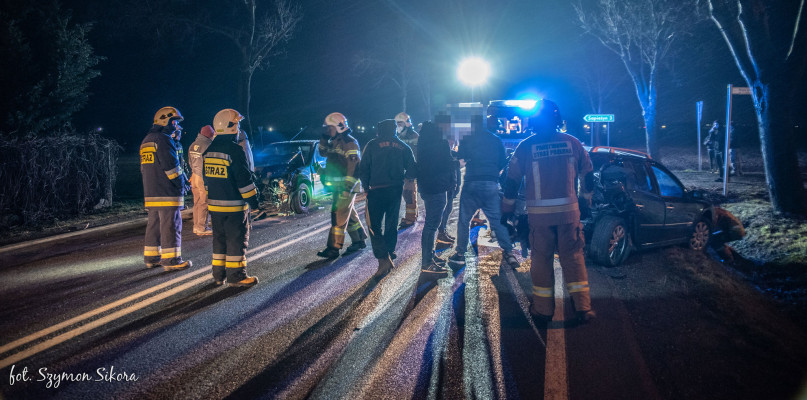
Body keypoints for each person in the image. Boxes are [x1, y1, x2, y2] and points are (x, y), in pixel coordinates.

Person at [502, 99, 596, 324]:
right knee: (573, 258)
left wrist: (507, 212)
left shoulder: (525, 146)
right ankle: (583, 308)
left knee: (541, 261)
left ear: (533, 120)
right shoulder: (573, 143)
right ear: (557, 119)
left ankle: (543, 311)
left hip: (540, 219)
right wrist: (585, 202)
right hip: (569, 216)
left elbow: (512, 182)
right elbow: (589, 175)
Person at [447, 115, 520, 270]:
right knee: (496, 221)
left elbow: (461, 156)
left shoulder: (468, 138)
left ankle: (460, 254)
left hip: (471, 183)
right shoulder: (496, 140)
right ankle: (508, 252)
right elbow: (502, 161)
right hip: (490, 184)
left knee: (463, 220)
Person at [203, 108, 260, 287]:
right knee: (236, 240)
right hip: (234, 207)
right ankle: (237, 276)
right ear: (231, 127)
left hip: (215, 206)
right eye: (237, 125)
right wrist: (255, 203)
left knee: (219, 240)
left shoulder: (209, 150)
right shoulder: (235, 150)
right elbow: (244, 181)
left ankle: (219, 275)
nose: (239, 129)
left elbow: (207, 180)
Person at [358, 119, 420, 276]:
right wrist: (403, 178)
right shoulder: (403, 147)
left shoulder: (372, 145)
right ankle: (390, 251)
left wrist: (366, 186)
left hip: (375, 190)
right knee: (391, 223)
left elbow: (363, 167)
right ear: (394, 130)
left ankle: (383, 259)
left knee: (374, 226)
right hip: (394, 190)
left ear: (379, 130)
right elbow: (412, 168)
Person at [139, 106, 193, 271]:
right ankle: (172, 261)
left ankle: (151, 257)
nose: (176, 125)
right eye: (174, 121)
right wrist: (182, 185)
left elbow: (144, 168)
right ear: (165, 121)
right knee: (171, 225)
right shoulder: (164, 140)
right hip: (167, 192)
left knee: (154, 225)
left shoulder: (147, 140)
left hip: (151, 192)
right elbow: (172, 168)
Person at [316, 112, 368, 259]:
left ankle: (333, 248)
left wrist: (347, 188)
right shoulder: (333, 141)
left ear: (338, 126)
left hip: (346, 187)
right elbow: (322, 152)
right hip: (337, 186)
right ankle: (359, 240)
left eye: (328, 128)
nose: (326, 130)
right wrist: (324, 138)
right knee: (348, 214)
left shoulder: (349, 142)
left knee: (337, 214)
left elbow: (354, 168)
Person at [416, 120, 456, 276]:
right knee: (432, 225)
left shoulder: (423, 143)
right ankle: (427, 263)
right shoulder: (441, 143)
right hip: (438, 187)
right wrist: (454, 163)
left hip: (427, 187)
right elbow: (446, 164)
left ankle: (430, 256)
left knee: (431, 225)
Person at [435, 114, 459, 244]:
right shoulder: (438, 137)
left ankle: (442, 231)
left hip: (451, 172)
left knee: (449, 204)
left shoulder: (449, 134)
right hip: (445, 175)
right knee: (443, 206)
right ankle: (440, 232)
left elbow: (453, 149)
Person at [189, 125, 215, 235]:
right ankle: (202, 228)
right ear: (210, 135)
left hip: (194, 176)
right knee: (204, 202)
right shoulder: (208, 145)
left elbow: (190, 161)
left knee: (197, 202)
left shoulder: (193, 145)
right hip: (202, 177)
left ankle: (196, 226)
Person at [395, 112, 420, 229]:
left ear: (406, 124)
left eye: (400, 123)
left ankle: (410, 218)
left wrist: (413, 170)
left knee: (409, 194)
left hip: (411, 170)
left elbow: (418, 154)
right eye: (397, 123)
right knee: (407, 194)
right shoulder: (398, 137)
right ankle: (414, 214)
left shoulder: (414, 136)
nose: (398, 125)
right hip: (400, 170)